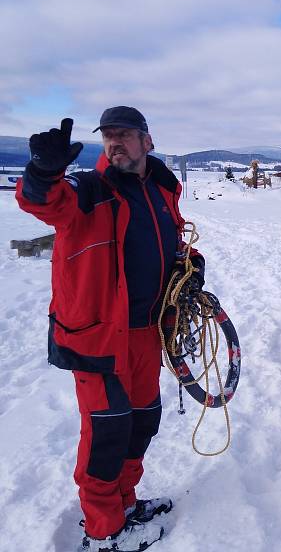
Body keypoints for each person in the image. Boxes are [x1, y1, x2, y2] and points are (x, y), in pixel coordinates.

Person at [16, 108, 203, 552]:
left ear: (147, 141)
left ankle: (125, 503)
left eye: (124, 135)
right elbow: (42, 200)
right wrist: (44, 170)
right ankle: (103, 531)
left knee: (142, 423)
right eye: (108, 136)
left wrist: (189, 268)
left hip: (146, 333)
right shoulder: (88, 190)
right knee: (106, 433)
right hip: (97, 337)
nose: (114, 143)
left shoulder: (161, 190)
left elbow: (168, 246)